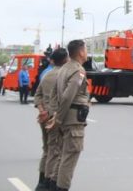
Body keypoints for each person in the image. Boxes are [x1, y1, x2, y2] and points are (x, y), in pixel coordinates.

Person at [48, 39, 90, 191]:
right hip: (72, 121)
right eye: (86, 49)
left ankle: (52, 186)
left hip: (65, 119)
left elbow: (54, 94)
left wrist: (55, 115)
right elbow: (67, 97)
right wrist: (58, 119)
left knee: (62, 157)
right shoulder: (78, 71)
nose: (87, 52)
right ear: (81, 52)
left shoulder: (64, 68)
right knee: (69, 159)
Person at [35, 48, 69, 191]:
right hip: (55, 117)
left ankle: (41, 182)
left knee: (47, 149)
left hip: (44, 116)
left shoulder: (46, 74)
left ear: (53, 60)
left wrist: (42, 110)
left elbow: (38, 95)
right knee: (56, 152)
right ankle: (49, 183)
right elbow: (66, 99)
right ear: (66, 59)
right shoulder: (65, 76)